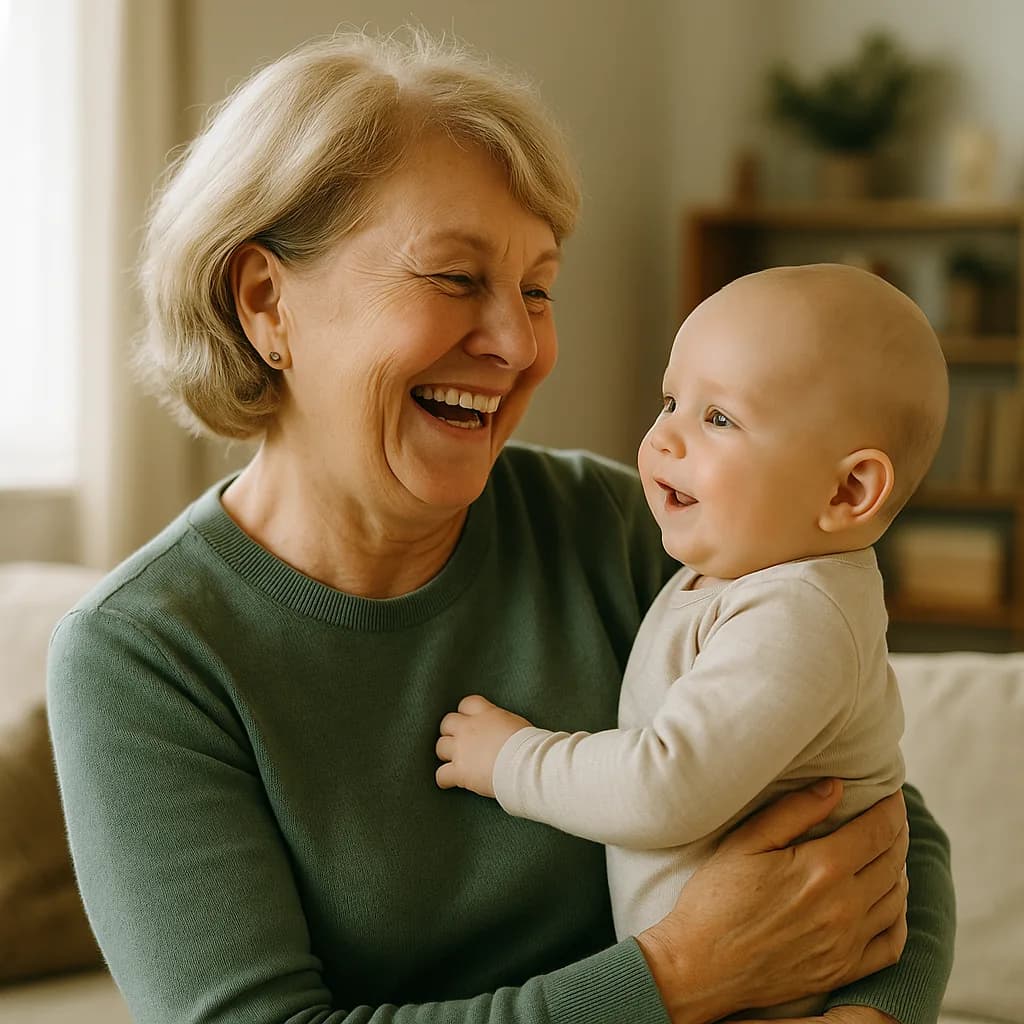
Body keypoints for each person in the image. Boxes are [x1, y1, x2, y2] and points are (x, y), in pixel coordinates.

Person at [46, 30, 954, 1024]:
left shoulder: (617, 531)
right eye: (452, 277)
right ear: (266, 302)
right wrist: (677, 975)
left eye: (536, 287)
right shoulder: (143, 653)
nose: (518, 344)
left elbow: (881, 813)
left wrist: (868, 1018)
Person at [435, 262, 949, 1017]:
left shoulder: (797, 614)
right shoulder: (736, 566)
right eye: (671, 400)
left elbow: (668, 784)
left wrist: (513, 759)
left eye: (719, 419)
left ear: (847, 492)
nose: (662, 438)